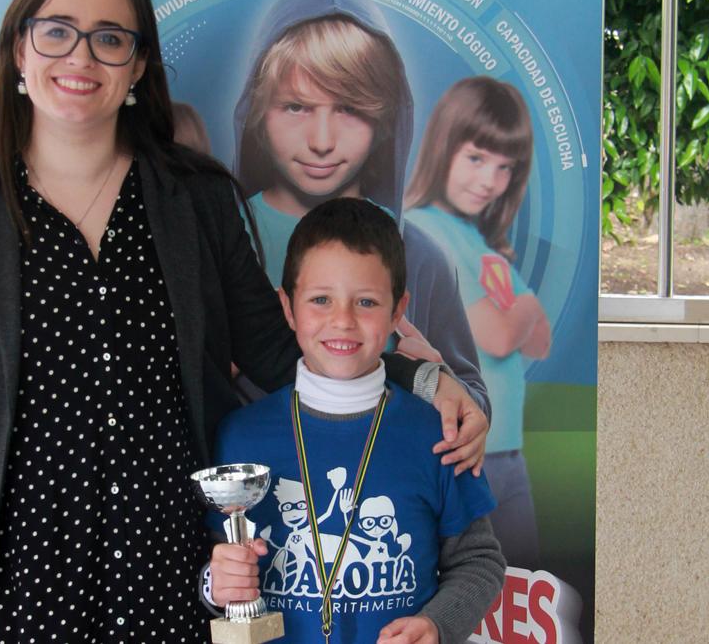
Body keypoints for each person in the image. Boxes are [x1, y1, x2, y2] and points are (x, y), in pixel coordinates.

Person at [0, 0, 491, 642]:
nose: (81, 57)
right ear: (19, 47)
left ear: (136, 66)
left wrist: (423, 380)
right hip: (10, 595)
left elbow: (281, 351)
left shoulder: (196, 201)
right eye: (56, 30)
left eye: (109, 38)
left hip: (173, 589)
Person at [207, 198, 505, 643]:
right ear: (287, 308)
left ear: (398, 310)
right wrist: (214, 585)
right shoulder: (240, 436)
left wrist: (437, 624)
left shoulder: (438, 434)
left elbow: (479, 561)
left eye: (365, 301)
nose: (342, 321)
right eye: (321, 300)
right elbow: (209, 562)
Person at [231, 0, 488, 416]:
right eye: (296, 107)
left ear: (386, 121)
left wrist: (439, 380)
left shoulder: (418, 254)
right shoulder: (225, 243)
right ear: (256, 113)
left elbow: (472, 402)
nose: (322, 141)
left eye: (349, 110)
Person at [404, 76, 552, 569]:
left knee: (525, 593)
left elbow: (540, 343)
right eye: (476, 158)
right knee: (476, 592)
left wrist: (521, 315)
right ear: (443, 147)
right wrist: (525, 306)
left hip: (507, 449)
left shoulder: (481, 244)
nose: (489, 180)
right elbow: (503, 333)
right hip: (466, 449)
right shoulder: (425, 229)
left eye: (505, 167)